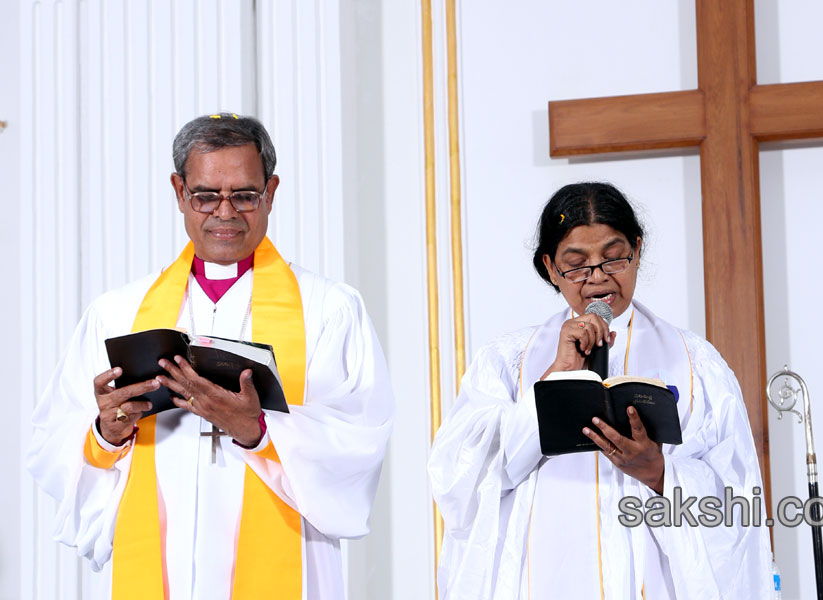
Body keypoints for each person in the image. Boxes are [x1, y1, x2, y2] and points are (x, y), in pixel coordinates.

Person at [27, 113, 394, 599]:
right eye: (205, 195)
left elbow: (360, 440)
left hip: (284, 567)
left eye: (244, 195)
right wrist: (105, 433)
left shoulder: (328, 309)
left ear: (271, 191)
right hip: (163, 566)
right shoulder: (119, 313)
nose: (225, 213)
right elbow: (50, 442)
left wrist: (258, 431)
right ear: (180, 192)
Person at [428, 182, 772, 599]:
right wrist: (555, 378)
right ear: (551, 268)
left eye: (613, 259)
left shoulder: (698, 364)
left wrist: (660, 473)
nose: (597, 279)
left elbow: (738, 499)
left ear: (638, 250)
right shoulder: (507, 362)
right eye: (576, 265)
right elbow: (459, 478)